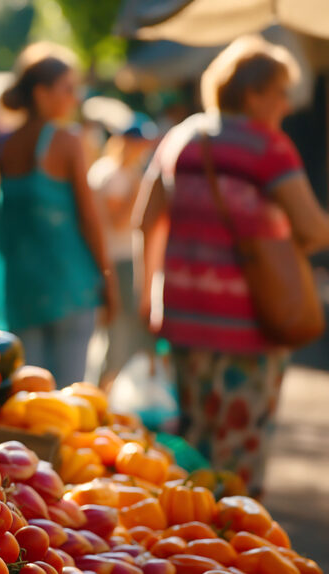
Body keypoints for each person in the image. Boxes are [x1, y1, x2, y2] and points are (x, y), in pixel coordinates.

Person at [136, 36, 329, 496]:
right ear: (253, 93)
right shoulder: (268, 148)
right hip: (249, 326)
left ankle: (186, 530)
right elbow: (314, 230)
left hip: (182, 319)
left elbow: (145, 220)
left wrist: (148, 296)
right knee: (239, 455)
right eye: (280, 92)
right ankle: (231, 536)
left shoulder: (180, 138)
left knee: (192, 449)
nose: (287, 104)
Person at [0, 43, 118, 386]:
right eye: (68, 89)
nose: (75, 98)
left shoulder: (4, 145)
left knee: (29, 394)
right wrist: (108, 279)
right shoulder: (66, 141)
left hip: (21, 292)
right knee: (68, 397)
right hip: (69, 287)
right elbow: (89, 217)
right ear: (42, 93)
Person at [88, 114, 158, 389]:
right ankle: (100, 392)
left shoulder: (117, 172)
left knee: (128, 335)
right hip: (117, 263)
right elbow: (118, 221)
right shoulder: (113, 174)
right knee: (118, 335)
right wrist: (141, 189)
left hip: (122, 260)